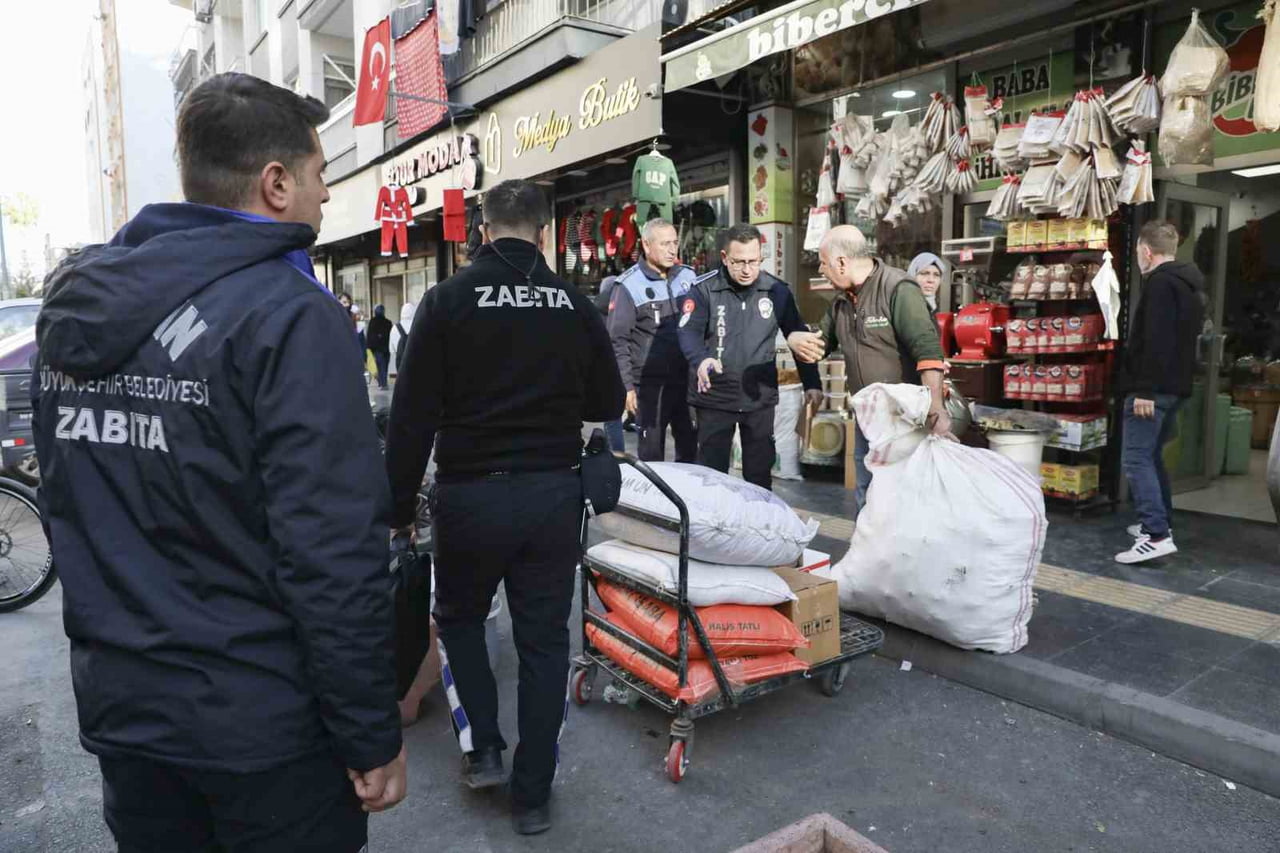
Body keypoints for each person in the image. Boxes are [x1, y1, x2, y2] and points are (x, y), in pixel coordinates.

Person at [31, 72, 405, 851]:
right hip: (264, 736)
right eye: (319, 174)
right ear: (276, 184)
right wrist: (370, 731)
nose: (326, 194)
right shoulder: (290, 317)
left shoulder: (76, 318)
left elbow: (70, 511)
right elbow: (332, 552)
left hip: (131, 719)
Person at [385, 179, 624, 835]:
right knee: (545, 642)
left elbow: (410, 418)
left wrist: (397, 505)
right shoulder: (573, 304)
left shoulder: (447, 300)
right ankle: (533, 795)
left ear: (482, 229)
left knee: (460, 620)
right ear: (544, 232)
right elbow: (607, 399)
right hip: (552, 497)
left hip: (470, 497)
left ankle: (484, 747)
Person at [789, 225, 951, 517]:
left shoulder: (898, 288)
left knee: (904, 501)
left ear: (841, 262)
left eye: (823, 263)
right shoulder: (840, 302)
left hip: (903, 421)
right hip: (867, 419)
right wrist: (797, 340)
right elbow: (820, 346)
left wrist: (936, 409)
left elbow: (928, 352)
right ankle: (869, 544)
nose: (821, 270)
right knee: (868, 496)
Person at [677, 223, 822, 490]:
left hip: (759, 399)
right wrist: (701, 360)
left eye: (753, 261)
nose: (746, 270)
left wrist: (812, 382)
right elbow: (688, 332)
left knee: (759, 477)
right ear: (725, 258)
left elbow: (798, 336)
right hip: (715, 397)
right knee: (712, 478)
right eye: (739, 262)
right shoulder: (704, 289)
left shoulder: (776, 290)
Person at [1114, 220, 1204, 564]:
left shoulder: (1160, 284)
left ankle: (1155, 535)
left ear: (1146, 251)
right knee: (1151, 455)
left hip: (1153, 389)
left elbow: (1156, 341)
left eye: (1139, 251)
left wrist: (1144, 391)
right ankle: (1159, 522)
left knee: (1136, 458)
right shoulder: (1188, 284)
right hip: (1175, 386)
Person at [608, 219, 699, 462]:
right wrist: (626, 387)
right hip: (649, 387)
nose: (672, 250)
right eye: (665, 244)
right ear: (646, 245)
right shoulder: (629, 285)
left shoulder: (688, 276)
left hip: (687, 382)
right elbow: (618, 341)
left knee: (691, 450)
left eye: (675, 243)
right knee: (652, 454)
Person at [594, 274, 626, 452]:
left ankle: (617, 454)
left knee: (612, 417)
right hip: (626, 361)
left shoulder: (595, 308)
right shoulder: (624, 303)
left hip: (607, 365)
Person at [907, 252, 948, 319]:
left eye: (936, 275)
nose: (931, 280)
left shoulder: (933, 311)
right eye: (924, 273)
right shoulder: (905, 309)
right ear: (913, 275)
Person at [367, 304, 393, 390]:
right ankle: (383, 383)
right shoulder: (388, 323)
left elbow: (370, 336)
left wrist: (369, 348)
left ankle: (382, 383)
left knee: (379, 366)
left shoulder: (372, 322)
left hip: (377, 349)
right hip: (386, 348)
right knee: (385, 366)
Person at [391, 300, 416, 376]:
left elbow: (391, 349)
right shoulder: (417, 326)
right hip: (415, 361)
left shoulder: (395, 328)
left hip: (401, 364)